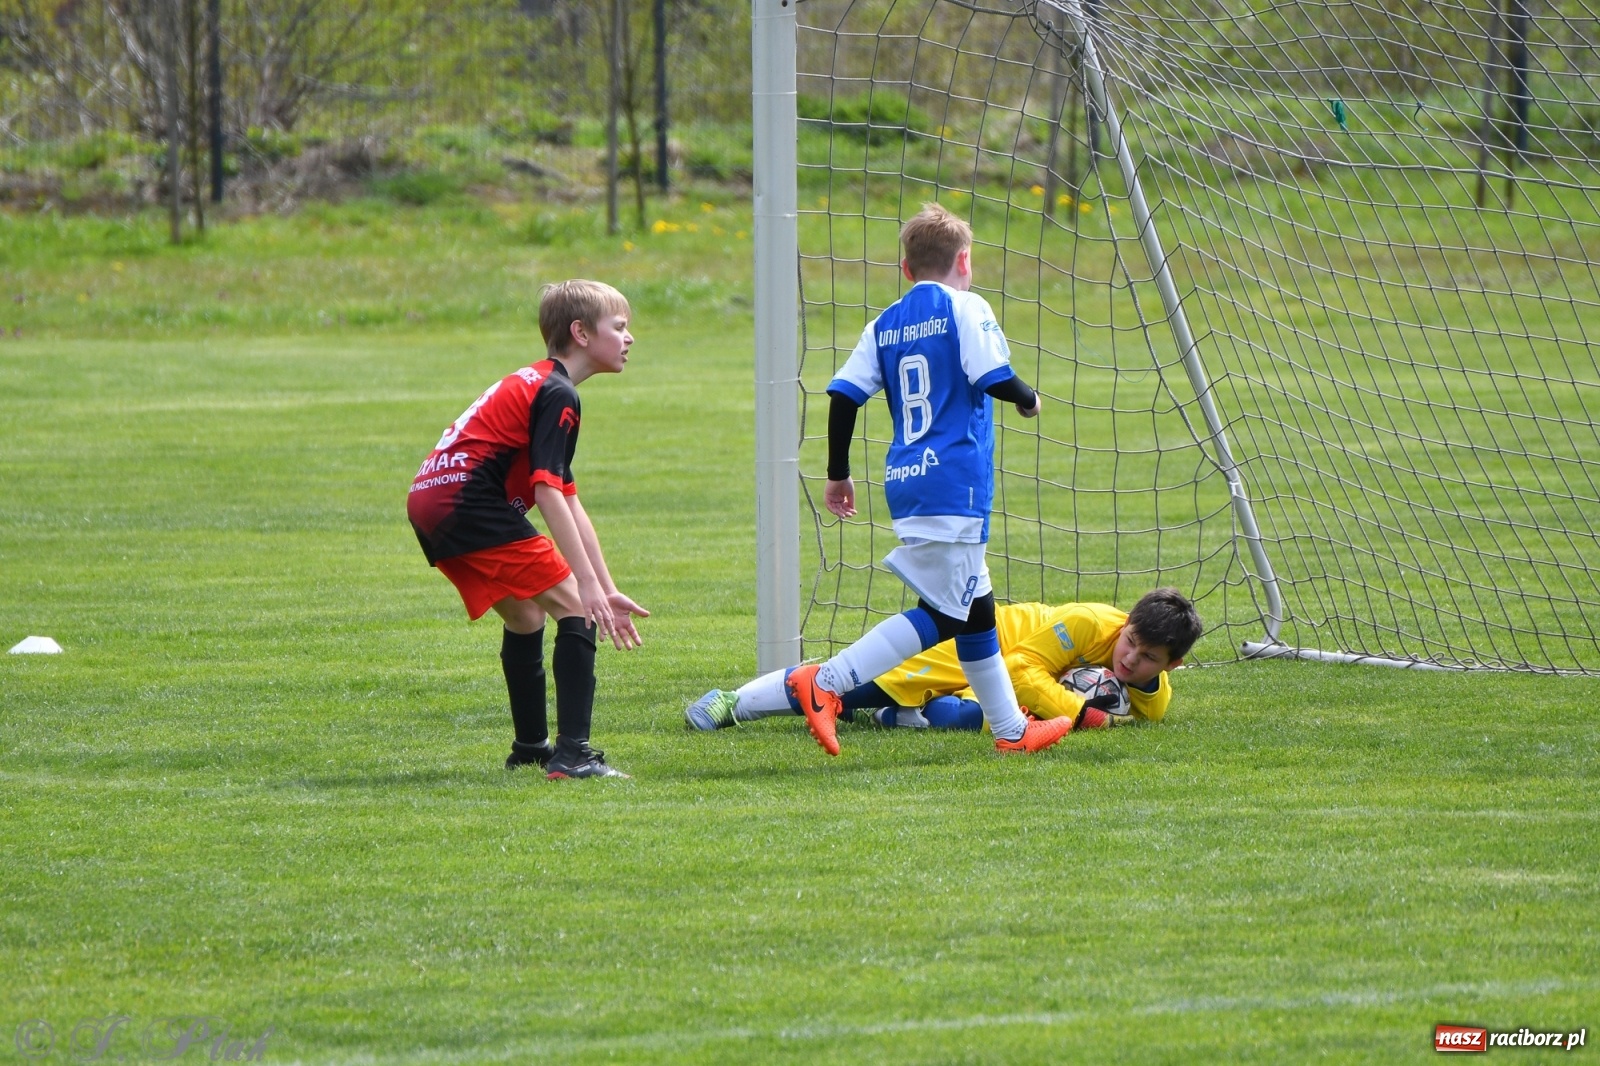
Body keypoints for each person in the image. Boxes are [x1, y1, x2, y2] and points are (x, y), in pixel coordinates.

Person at [782, 202, 1064, 756]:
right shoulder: (966, 306)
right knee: (945, 612)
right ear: (965, 260)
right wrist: (1028, 399)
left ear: (906, 270)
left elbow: (842, 394)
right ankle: (827, 681)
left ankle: (1010, 730)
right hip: (954, 482)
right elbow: (992, 375)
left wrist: (838, 473)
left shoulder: (884, 322)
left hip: (906, 481)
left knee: (976, 607)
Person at [406, 280, 647, 780]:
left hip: (432, 500)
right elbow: (547, 495)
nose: (629, 338)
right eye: (619, 327)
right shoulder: (557, 393)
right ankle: (573, 756)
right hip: (465, 502)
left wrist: (606, 585)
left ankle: (531, 748)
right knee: (575, 609)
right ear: (580, 333)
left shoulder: (542, 385)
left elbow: (570, 499)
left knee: (526, 613)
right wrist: (585, 589)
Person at [687, 588, 1201, 733]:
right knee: (851, 688)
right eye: (1130, 640)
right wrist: (1082, 713)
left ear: (1170, 665)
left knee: (968, 720)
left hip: (998, 676)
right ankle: (734, 702)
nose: (1129, 658)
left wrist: (1130, 697)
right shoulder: (1092, 622)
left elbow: (1152, 708)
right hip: (976, 643)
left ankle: (900, 718)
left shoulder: (1153, 680)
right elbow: (1022, 669)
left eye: (1147, 657)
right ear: (1126, 622)